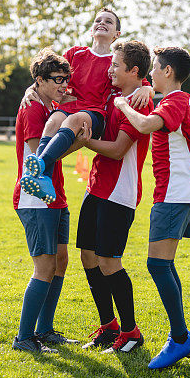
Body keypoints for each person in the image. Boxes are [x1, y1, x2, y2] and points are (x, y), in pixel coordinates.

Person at [112, 46, 190, 370]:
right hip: (177, 192)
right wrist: (146, 93)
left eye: (154, 68)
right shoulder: (184, 100)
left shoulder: (177, 100)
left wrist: (123, 103)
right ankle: (181, 336)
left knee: (157, 265)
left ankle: (180, 338)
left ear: (168, 71)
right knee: (163, 265)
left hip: (174, 194)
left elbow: (145, 125)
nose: (150, 73)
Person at [20, 8, 153, 203]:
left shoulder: (115, 63)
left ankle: (39, 165)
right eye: (98, 20)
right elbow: (51, 72)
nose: (102, 23)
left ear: (117, 34)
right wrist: (30, 88)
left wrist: (147, 89)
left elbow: (137, 79)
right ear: (91, 30)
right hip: (68, 108)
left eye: (108, 22)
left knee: (74, 120)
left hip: (94, 113)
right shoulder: (75, 53)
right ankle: (42, 176)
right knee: (53, 121)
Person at [78, 40, 153, 354]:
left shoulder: (140, 103)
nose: (108, 70)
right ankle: (108, 326)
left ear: (133, 71)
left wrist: (86, 141)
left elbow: (120, 150)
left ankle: (131, 332)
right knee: (88, 256)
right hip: (95, 187)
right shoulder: (114, 93)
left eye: (115, 66)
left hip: (119, 192)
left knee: (110, 261)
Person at [12, 48, 88, 354]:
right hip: (35, 199)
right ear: (39, 81)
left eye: (65, 80)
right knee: (43, 268)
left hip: (55, 197)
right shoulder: (32, 109)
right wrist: (78, 143)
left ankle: (44, 330)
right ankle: (24, 338)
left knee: (60, 262)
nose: (63, 85)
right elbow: (38, 158)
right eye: (57, 79)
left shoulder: (48, 107)